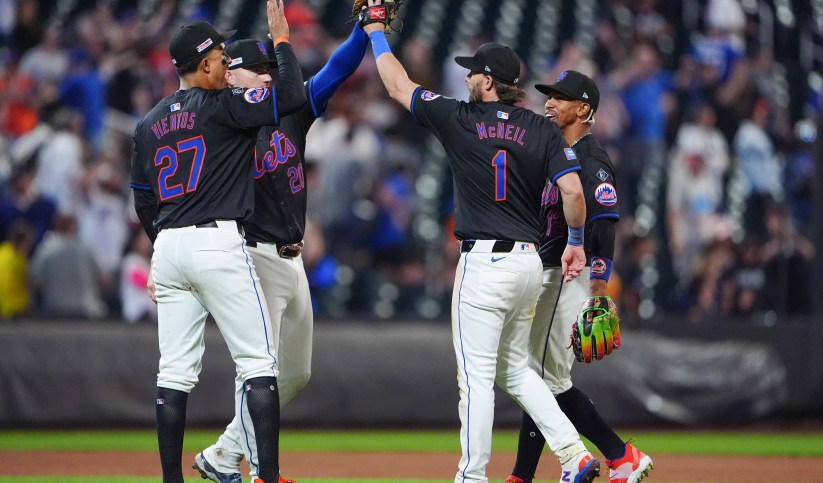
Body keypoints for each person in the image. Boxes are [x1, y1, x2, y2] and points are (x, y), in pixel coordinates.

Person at [360, 7, 599, 483]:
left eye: (473, 72)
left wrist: (375, 33)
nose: (467, 77)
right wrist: (575, 242)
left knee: (475, 380)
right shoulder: (543, 128)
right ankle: (575, 456)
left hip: (485, 264)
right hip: (530, 264)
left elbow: (396, 85)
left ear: (488, 82)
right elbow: (573, 191)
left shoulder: (461, 118)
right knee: (516, 370)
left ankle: (471, 477)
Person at [128, 1, 305, 482]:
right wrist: (282, 37)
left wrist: (160, 246)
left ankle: (171, 480)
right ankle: (267, 476)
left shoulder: (148, 124)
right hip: (217, 241)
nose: (228, 64)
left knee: (174, 372)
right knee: (258, 361)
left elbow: (144, 202)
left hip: (168, 247)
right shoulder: (225, 105)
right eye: (222, 57)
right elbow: (288, 93)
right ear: (203, 64)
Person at [191, 22, 369, 483]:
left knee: (297, 374)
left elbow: (337, 69)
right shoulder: (222, 120)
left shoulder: (289, 110)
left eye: (271, 68)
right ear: (230, 75)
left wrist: (364, 30)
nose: (268, 76)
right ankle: (256, 473)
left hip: (293, 257)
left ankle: (223, 453)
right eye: (256, 69)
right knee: (257, 368)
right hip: (250, 254)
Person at [505, 71, 654, 483]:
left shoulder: (591, 161)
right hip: (551, 272)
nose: (549, 104)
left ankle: (619, 453)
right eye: (549, 97)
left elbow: (605, 227)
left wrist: (600, 291)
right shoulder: (558, 154)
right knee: (538, 378)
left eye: (560, 98)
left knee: (543, 379)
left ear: (584, 108)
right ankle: (610, 457)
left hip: (568, 276)